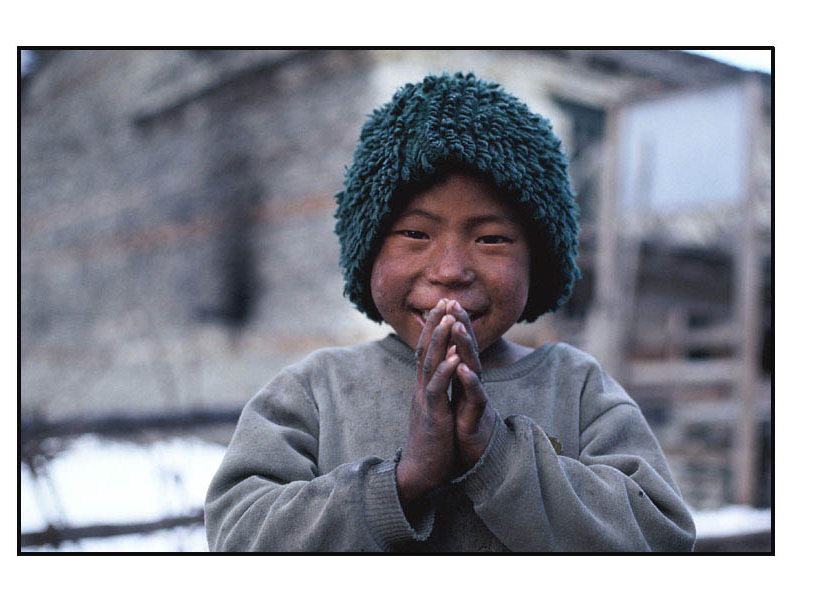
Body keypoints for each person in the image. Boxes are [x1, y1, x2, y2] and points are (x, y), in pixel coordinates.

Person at [205, 72, 696, 552]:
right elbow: (238, 532)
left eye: (491, 239)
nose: (451, 269)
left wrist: (499, 458)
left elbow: (660, 535)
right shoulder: (315, 390)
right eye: (416, 234)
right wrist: (401, 481)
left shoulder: (578, 387)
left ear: (539, 261)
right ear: (369, 251)